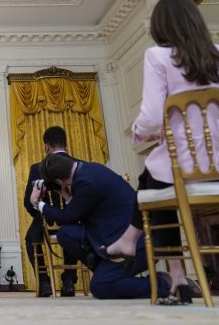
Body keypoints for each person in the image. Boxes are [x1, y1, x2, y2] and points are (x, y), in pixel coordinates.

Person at [103, 0, 219, 305]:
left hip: (182, 170)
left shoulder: (159, 57)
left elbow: (153, 116)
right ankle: (149, 257)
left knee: (149, 187)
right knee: (150, 180)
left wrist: (138, 133)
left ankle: (174, 273)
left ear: (160, 29)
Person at [31, 153, 171, 300]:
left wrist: (37, 203)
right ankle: (106, 272)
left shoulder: (86, 183)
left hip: (140, 243)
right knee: (66, 234)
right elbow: (80, 211)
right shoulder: (88, 170)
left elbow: (66, 217)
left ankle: (166, 285)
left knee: (101, 286)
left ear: (60, 180)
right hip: (111, 235)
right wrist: (64, 193)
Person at [22, 126, 78, 297]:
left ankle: (44, 282)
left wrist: (40, 214)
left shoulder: (37, 168)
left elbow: (27, 202)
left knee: (30, 238)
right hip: (75, 218)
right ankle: (69, 280)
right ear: (66, 145)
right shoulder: (78, 164)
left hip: (46, 218)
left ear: (46, 146)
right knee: (72, 228)